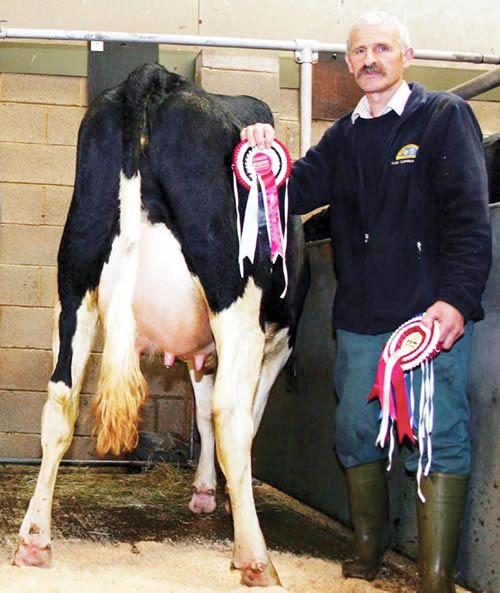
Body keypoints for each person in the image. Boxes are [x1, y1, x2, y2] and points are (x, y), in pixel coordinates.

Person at [241, 10, 491, 593]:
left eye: (381, 48)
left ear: (406, 54)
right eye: (358, 52)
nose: (369, 60)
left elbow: (470, 222)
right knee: (355, 431)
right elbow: (295, 187)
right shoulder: (345, 137)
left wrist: (454, 302)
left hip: (427, 319)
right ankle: (368, 545)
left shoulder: (443, 118)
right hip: (358, 321)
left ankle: (432, 577)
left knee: (439, 436)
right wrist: (261, 150)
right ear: (348, 63)